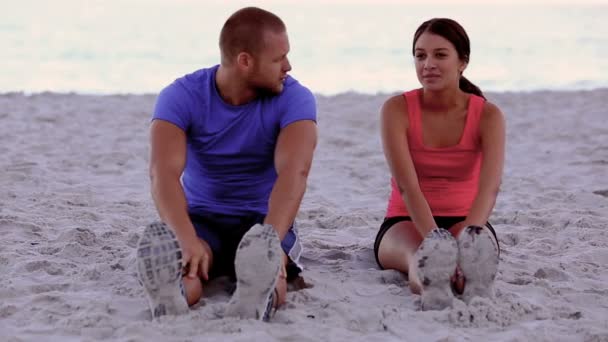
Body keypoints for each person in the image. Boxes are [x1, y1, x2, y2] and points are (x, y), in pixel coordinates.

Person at [135, 7, 317, 321]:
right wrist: (185, 237)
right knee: (192, 262)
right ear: (245, 61)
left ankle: (255, 299)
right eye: (278, 59)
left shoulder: (294, 98)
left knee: (269, 269)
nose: (288, 66)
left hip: (263, 218)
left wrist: (269, 240)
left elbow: (294, 172)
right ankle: (171, 298)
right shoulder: (180, 96)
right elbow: (162, 173)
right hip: (201, 219)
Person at [375, 18, 505, 310]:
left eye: (440, 55)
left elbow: (490, 189)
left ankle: (473, 282)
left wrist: (469, 239)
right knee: (419, 255)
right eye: (420, 55)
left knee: (470, 255)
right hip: (405, 220)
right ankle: (433, 286)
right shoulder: (396, 110)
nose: (428, 64)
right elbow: (408, 188)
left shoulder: (488, 116)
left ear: (463, 62)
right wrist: (436, 240)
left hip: (468, 219)